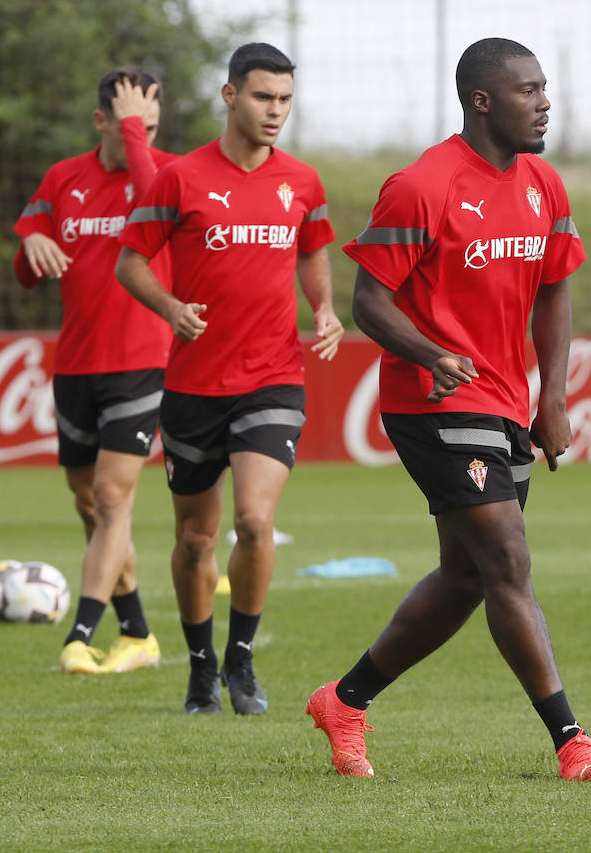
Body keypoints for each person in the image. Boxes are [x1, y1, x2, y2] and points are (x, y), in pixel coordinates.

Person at [305, 37, 591, 782]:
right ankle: (571, 740)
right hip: (432, 400)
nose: (544, 102)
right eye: (527, 90)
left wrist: (554, 400)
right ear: (481, 100)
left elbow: (554, 290)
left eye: (545, 89)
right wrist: (430, 354)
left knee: (467, 578)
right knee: (508, 557)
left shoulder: (544, 183)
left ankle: (344, 702)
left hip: (506, 401)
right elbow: (368, 301)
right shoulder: (421, 185)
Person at [116, 42, 343, 715]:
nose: (275, 112)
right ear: (229, 96)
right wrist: (170, 307)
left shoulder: (301, 182)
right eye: (262, 97)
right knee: (195, 538)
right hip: (191, 388)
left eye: (285, 101)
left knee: (254, 517)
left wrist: (325, 307)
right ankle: (199, 665)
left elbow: (314, 252)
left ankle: (241, 661)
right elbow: (131, 263)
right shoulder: (179, 178)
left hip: (273, 378)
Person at [12, 67, 177, 676]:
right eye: (134, 124)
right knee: (90, 504)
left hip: (141, 361)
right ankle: (137, 633)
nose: (145, 136)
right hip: (77, 363)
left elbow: (158, 199)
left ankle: (79, 636)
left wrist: (138, 136)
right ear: (99, 120)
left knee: (112, 496)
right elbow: (28, 264)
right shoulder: (64, 177)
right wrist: (30, 244)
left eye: (153, 126)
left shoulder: (163, 175)